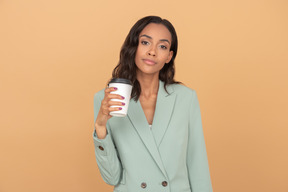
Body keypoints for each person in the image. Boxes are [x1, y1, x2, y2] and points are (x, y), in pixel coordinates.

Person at [93, 16, 213, 192]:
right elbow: (112, 176)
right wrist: (100, 125)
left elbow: (197, 164)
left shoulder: (185, 98)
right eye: (145, 42)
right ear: (133, 47)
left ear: (169, 56)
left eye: (162, 46)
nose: (152, 51)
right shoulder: (107, 99)